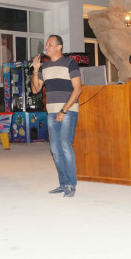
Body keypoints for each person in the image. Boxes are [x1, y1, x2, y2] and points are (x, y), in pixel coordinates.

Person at [30, 35, 82, 198]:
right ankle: (63, 183)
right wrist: (36, 70)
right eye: (46, 44)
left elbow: (78, 89)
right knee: (55, 149)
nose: (46, 47)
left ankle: (71, 184)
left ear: (59, 47)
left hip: (68, 110)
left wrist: (63, 110)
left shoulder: (70, 63)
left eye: (50, 44)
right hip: (51, 111)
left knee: (65, 144)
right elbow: (35, 90)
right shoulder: (44, 67)